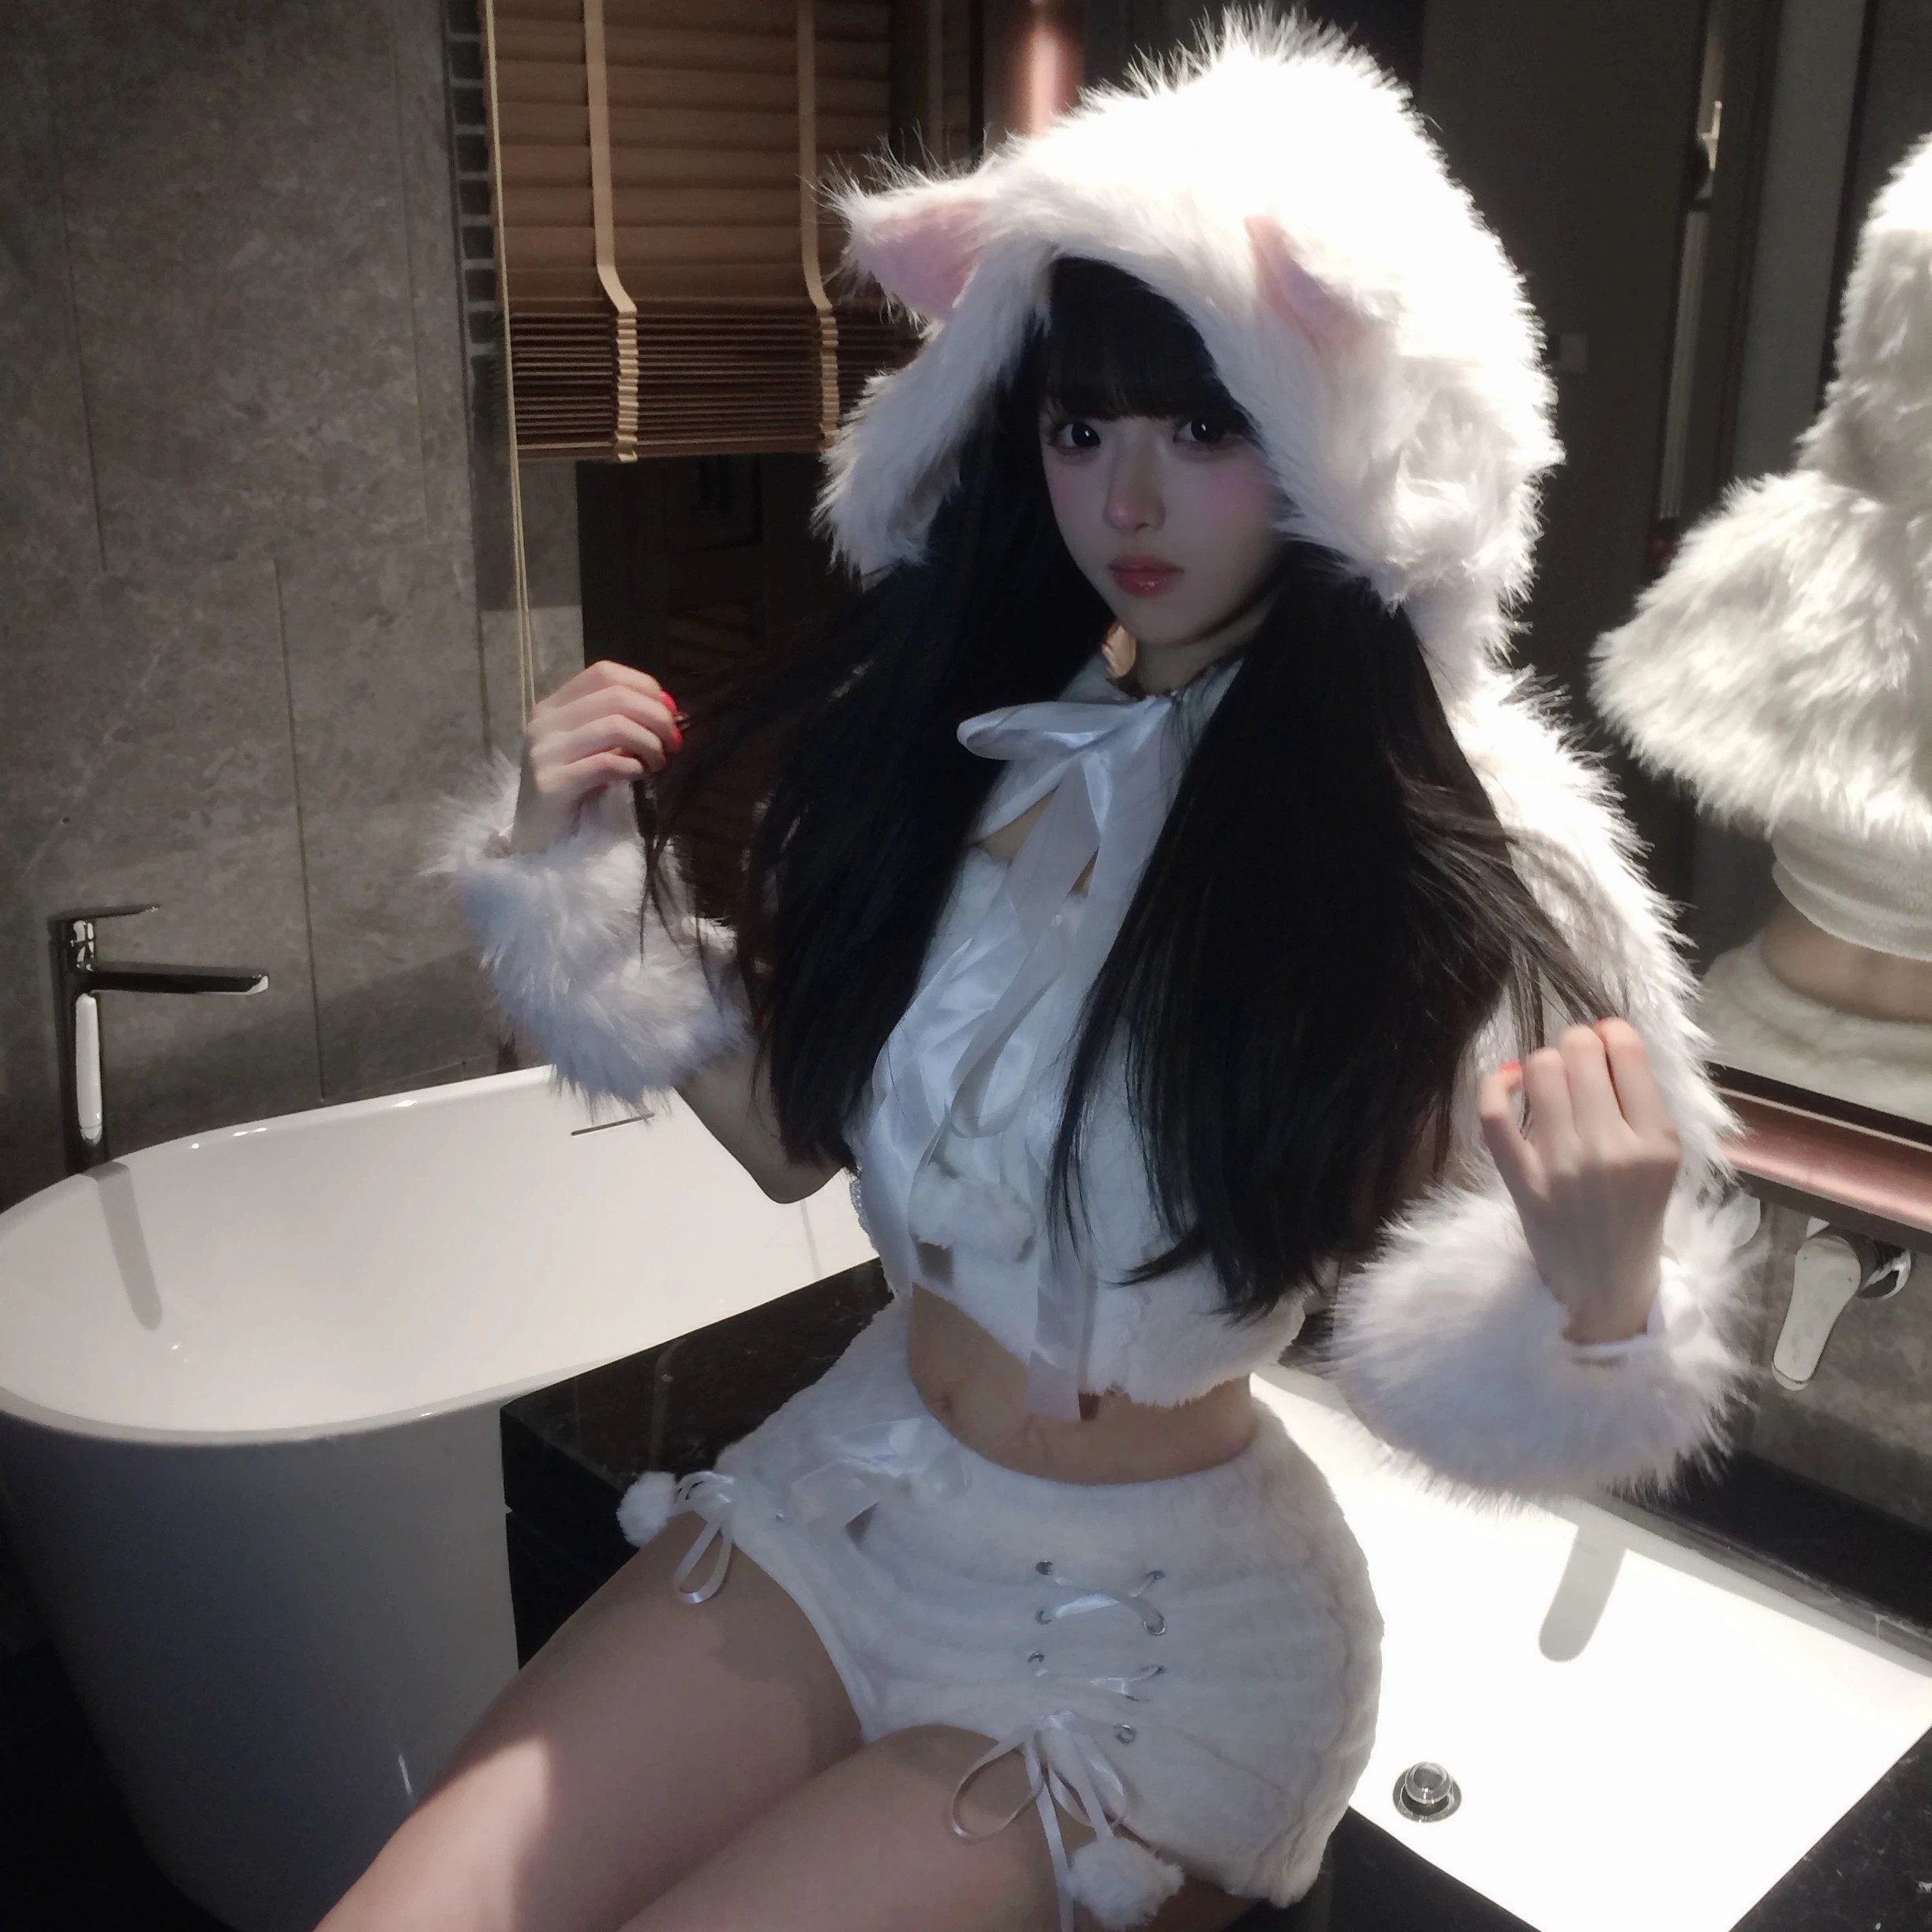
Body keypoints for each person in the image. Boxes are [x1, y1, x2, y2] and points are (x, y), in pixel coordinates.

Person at [328, 12, 1758, 1930]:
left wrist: (1603, 1298)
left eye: (1206, 428)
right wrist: (578, 901)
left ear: (1349, 445)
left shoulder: (1443, 853)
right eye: (1083, 429)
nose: (1127, 503)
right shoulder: (978, 749)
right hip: (857, 1491)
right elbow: (805, 1139)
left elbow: (1484, 1361)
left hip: (1157, 1633)